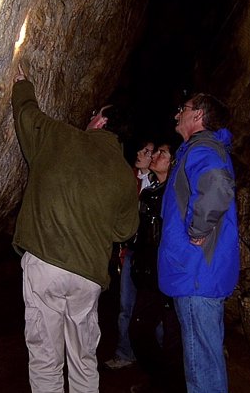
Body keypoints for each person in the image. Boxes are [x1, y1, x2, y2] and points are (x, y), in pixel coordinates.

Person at [11, 65, 139, 393]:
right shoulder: (126, 175)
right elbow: (125, 230)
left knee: (45, 355)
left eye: (96, 113)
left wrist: (23, 85)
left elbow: (27, 115)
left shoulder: (61, 136)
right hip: (88, 277)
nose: (91, 116)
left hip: (45, 263)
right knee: (83, 356)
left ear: (102, 121)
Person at [158, 94, 239, 393]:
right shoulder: (200, 149)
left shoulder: (201, 147)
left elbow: (216, 185)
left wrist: (197, 230)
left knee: (201, 365)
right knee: (206, 358)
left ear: (199, 115)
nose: (178, 113)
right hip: (199, 274)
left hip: (195, 273)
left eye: (185, 109)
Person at [129, 141, 185, 393]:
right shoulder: (150, 193)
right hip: (148, 275)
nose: (157, 156)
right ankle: (160, 380)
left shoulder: (179, 193)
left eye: (163, 153)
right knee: (139, 330)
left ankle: (168, 385)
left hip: (172, 276)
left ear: (173, 162)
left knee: (174, 337)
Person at [105, 141, 154, 371]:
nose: (139, 153)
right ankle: (125, 352)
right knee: (126, 305)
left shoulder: (161, 184)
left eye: (146, 152)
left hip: (152, 256)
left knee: (152, 310)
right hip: (132, 252)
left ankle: (155, 357)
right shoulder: (129, 179)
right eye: (140, 149)